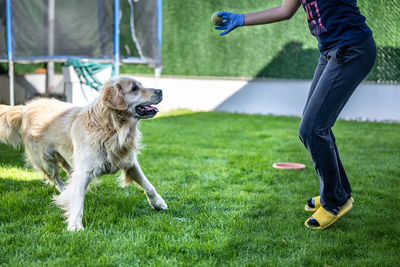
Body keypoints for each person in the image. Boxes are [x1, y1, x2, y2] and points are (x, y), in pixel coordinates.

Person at [214, 0, 376, 229]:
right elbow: (284, 11)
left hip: (352, 49)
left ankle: (334, 201)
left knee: (312, 129)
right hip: (330, 52)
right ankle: (338, 192)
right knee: (314, 128)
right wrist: (241, 19)